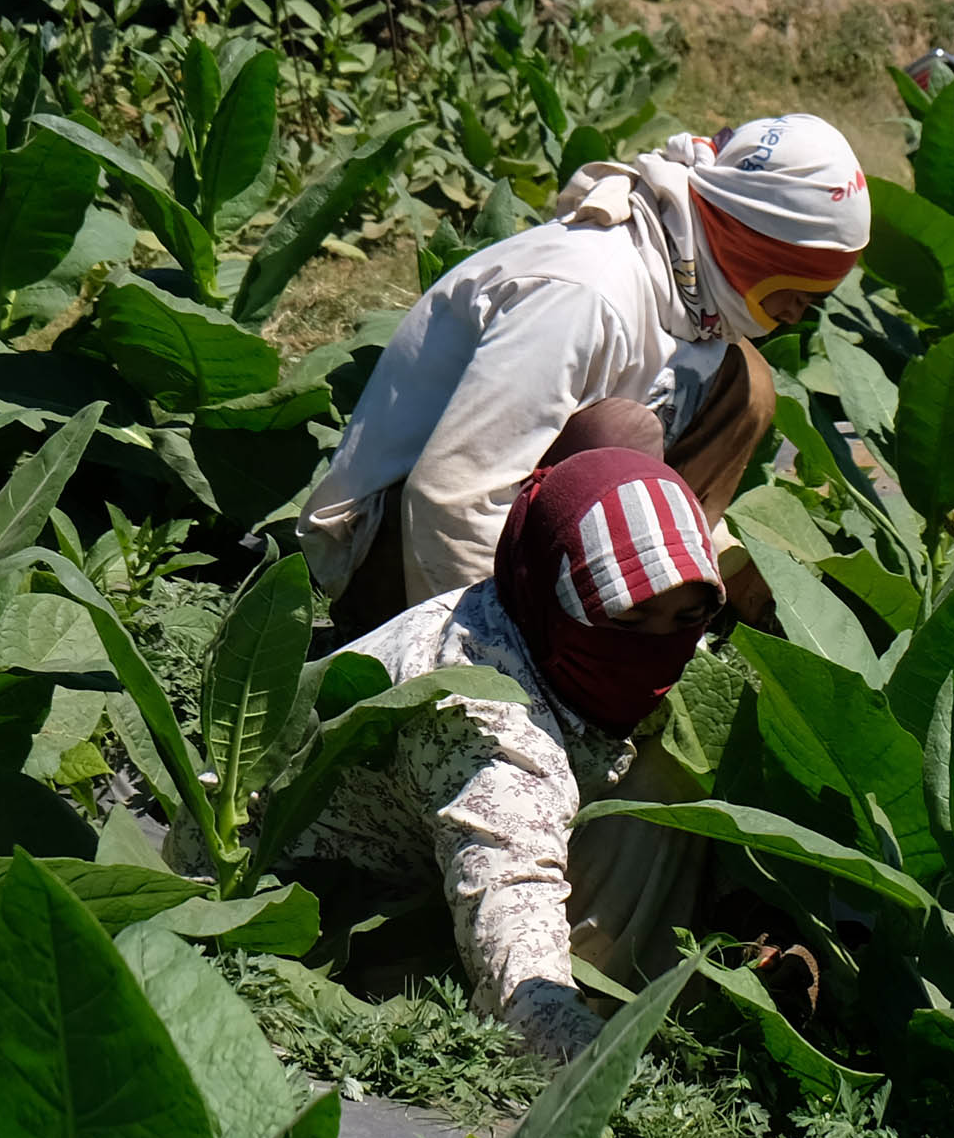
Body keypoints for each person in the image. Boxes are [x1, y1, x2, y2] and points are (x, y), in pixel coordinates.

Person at [278, 405, 733, 1062]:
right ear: (555, 593)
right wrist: (597, 1073)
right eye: (629, 623)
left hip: (419, 855)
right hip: (312, 910)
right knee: (658, 794)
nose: (660, 651)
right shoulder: (485, 728)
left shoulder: (521, 609)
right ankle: (634, 1020)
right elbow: (521, 977)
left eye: (686, 618)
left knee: (666, 766)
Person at [298, 116, 872, 635]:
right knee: (618, 438)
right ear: (747, 239)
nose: (797, 313)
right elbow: (452, 498)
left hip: (521, 528)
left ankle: (660, 599)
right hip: (400, 560)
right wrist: (490, 675)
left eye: (815, 298)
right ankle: (579, 639)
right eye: (791, 288)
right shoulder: (584, 294)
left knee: (744, 384)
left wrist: (743, 572)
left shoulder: (686, 286)